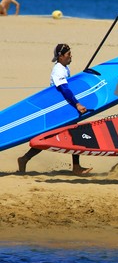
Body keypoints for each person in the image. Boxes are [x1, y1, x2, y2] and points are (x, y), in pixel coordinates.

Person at [17, 44, 92, 175]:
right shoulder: (59, 70)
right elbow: (64, 89)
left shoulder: (64, 67)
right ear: (61, 56)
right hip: (58, 110)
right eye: (68, 54)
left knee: (73, 134)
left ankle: (76, 167)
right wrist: (77, 104)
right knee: (48, 138)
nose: (71, 56)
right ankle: (24, 159)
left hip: (63, 108)